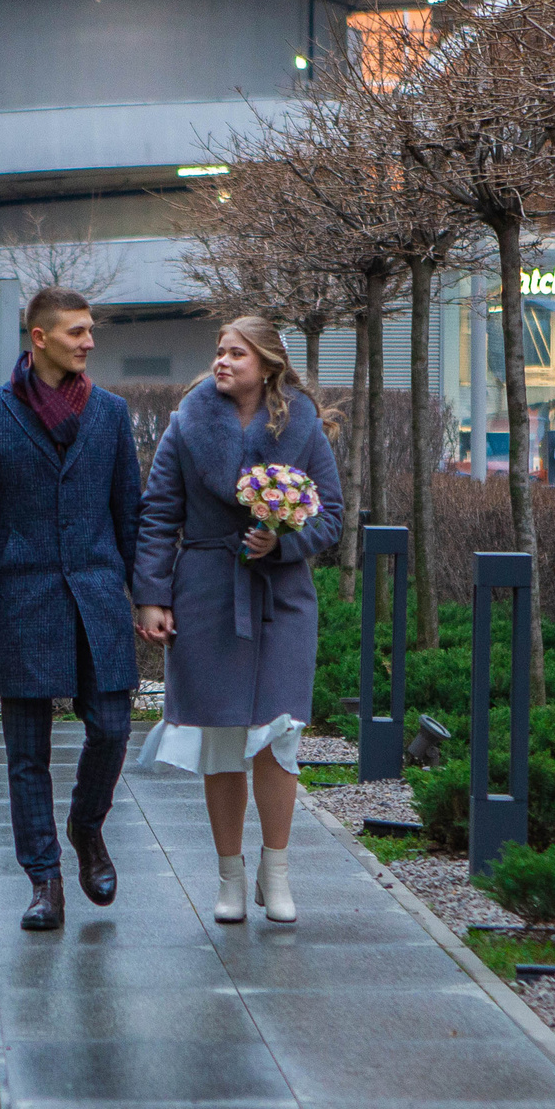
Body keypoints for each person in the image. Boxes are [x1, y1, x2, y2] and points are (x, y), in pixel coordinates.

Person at [0, 287, 142, 932]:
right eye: (77, 332)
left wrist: (152, 598)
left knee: (111, 726)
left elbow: (130, 517)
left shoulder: (111, 415)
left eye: (91, 331)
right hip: (25, 601)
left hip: (99, 598)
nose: (89, 341)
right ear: (39, 338)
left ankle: (86, 827)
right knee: (25, 752)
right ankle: (44, 881)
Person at [132, 318, 343, 924]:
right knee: (221, 738)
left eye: (236, 353)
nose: (222, 361)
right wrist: (152, 596)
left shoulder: (302, 424)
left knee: (279, 734)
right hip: (206, 592)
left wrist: (282, 543)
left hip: (281, 598)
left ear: (268, 363)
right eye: (219, 352)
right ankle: (229, 876)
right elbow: (157, 514)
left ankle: (275, 874)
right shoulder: (188, 420)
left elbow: (331, 514)